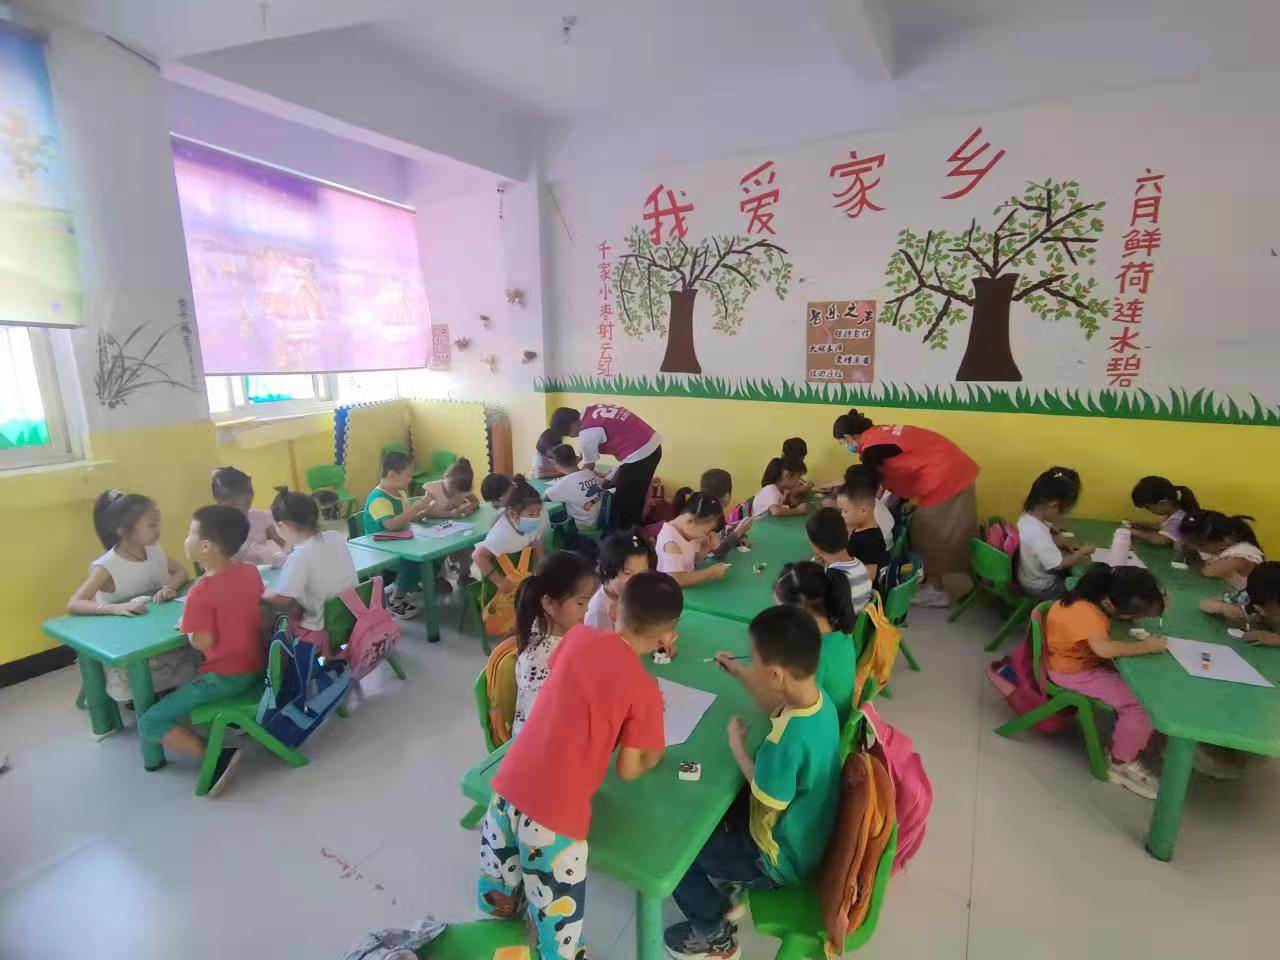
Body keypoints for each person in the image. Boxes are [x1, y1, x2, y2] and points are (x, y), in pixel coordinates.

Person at [478, 573, 678, 960]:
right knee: (558, 933)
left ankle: (502, 949)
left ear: (615, 610)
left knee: (501, 901)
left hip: (507, 791)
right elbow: (630, 769)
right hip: (554, 821)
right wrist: (650, 741)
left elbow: (570, 682)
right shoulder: (645, 690)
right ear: (667, 636)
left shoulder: (577, 637)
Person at [667, 606, 840, 959]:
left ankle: (715, 934)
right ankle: (727, 887)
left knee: (675, 853)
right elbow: (777, 708)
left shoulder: (785, 742)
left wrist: (737, 746)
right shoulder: (820, 703)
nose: (751, 664)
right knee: (714, 812)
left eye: (754, 660)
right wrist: (742, 673)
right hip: (807, 834)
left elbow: (764, 794)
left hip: (776, 861)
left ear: (776, 674)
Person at [136, 505, 267, 797]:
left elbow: (202, 642)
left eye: (190, 532)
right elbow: (245, 605)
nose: (185, 538)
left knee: (149, 722)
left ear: (205, 546)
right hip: (258, 665)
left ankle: (215, 755)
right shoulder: (249, 571)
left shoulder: (201, 590)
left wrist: (188, 626)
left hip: (225, 678)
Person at [1043, 564, 1168, 798]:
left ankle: (1131, 734)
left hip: (1069, 662)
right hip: (1073, 673)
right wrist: (1146, 646)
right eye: (1134, 614)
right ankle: (1120, 763)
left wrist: (1154, 598)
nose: (1136, 618)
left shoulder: (1088, 595)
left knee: (1140, 689)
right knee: (1143, 703)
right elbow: (1103, 650)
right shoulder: (1089, 616)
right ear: (1109, 604)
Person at [833, 408, 979, 607]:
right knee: (925, 529)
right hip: (950, 468)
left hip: (946, 476)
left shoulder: (871, 448)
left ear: (849, 437)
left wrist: (859, 497)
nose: (846, 447)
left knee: (928, 532)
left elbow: (872, 482)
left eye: (843, 443)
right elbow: (887, 474)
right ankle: (935, 583)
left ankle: (936, 590)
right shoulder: (878, 434)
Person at [67, 490, 195, 702]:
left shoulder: (154, 550)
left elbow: (181, 572)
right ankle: (144, 694)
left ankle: (165, 686)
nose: (158, 530)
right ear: (123, 531)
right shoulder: (107, 566)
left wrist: (170, 587)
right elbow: (74, 603)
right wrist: (115, 608)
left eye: (158, 523)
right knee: (151, 666)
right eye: (151, 524)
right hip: (127, 639)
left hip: (154, 630)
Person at [511, 552, 597, 735]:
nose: (587, 609)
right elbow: (544, 725)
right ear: (549, 603)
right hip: (539, 742)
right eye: (581, 603)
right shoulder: (538, 661)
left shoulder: (567, 629)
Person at [262, 487, 358, 651]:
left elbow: (282, 600)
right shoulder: (336, 537)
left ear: (283, 525)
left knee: (276, 622)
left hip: (323, 629)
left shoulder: (299, 557)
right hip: (352, 618)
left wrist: (260, 597)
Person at [549, 404, 662, 532]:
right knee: (635, 496)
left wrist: (572, 479)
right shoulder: (590, 411)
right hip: (651, 445)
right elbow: (586, 455)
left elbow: (589, 467)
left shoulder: (587, 433)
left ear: (569, 426)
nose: (572, 436)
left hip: (641, 454)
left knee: (624, 503)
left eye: (568, 434)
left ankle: (624, 538)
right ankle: (633, 532)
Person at [773, 561, 861, 723]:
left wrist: (744, 674)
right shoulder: (840, 631)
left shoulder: (812, 659)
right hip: (836, 715)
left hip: (824, 727)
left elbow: (790, 710)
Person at [365, 450, 435, 618]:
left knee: (431, 555)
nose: (411, 479)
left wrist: (423, 512)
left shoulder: (400, 492)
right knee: (412, 563)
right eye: (408, 475)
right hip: (381, 548)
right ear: (392, 475)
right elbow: (392, 525)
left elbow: (406, 518)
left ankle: (407, 584)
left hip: (401, 542)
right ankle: (395, 599)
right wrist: (416, 508)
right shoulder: (378, 498)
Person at [1016, 468, 1096, 599]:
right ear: (1053, 506)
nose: (1064, 515)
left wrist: (1055, 534)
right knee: (1084, 589)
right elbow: (1060, 564)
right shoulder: (1038, 533)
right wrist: (1083, 552)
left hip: (1027, 577)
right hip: (1042, 587)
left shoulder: (1028, 515)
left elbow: (1040, 539)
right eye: (1065, 511)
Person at [473, 475, 548, 594]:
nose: (537, 517)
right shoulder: (502, 535)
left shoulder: (529, 522)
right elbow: (477, 556)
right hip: (499, 584)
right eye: (531, 514)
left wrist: (542, 572)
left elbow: (536, 544)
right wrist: (499, 581)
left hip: (520, 575)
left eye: (538, 512)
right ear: (513, 514)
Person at [210, 466, 288, 566]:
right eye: (233, 505)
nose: (241, 510)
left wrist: (286, 555)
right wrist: (246, 557)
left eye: (247, 504)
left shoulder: (259, 517)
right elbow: (215, 564)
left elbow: (283, 544)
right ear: (218, 502)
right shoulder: (214, 528)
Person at [805, 507, 873, 616]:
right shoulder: (859, 565)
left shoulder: (829, 580)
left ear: (816, 545)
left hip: (839, 625)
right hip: (856, 623)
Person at [585, 530, 656, 631]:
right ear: (607, 569)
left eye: (643, 573)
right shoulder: (598, 612)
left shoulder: (635, 592)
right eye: (627, 573)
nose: (636, 580)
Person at [656, 492, 730, 586]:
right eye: (706, 531)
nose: (706, 535)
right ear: (690, 521)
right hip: (670, 590)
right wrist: (709, 573)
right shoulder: (671, 542)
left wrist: (706, 548)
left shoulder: (688, 532)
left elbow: (692, 559)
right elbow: (677, 580)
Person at [1179, 511, 1265, 588]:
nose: (1195, 547)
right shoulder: (1224, 546)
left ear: (1218, 542)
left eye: (1197, 545)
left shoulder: (1238, 556)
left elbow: (1207, 572)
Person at [836, 470, 890, 583]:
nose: (842, 515)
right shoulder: (862, 529)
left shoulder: (869, 540)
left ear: (862, 511)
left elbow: (870, 576)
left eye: (845, 511)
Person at [545, 444, 606, 529]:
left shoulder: (564, 484)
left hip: (581, 527)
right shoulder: (588, 473)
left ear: (557, 466)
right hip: (597, 521)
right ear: (577, 459)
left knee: (553, 516)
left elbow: (546, 497)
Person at [1128, 476, 1199, 547]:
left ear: (1163, 503)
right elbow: (1164, 526)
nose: (1149, 511)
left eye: (1148, 507)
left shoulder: (1178, 519)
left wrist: (1135, 532)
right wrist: (1143, 524)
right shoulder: (1177, 512)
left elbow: (1162, 540)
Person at [1242, 562, 1280, 646]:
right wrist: (1223, 607)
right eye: (1261, 608)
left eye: (1275, 614)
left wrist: (1276, 639)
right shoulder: (1257, 592)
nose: (1262, 613)